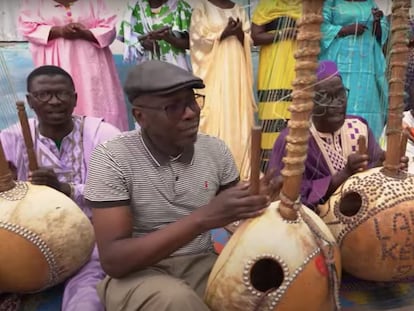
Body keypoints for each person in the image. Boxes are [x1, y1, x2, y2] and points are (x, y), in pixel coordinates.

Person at [84, 60, 281, 311]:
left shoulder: (215, 150)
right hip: (137, 274)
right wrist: (203, 218)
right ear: (140, 116)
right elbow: (114, 261)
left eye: (192, 100)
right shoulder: (113, 157)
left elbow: (235, 218)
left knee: (268, 291)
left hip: (202, 264)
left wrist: (260, 202)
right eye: (172, 106)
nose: (191, 112)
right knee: (176, 301)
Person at [0, 65, 121, 311]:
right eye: (44, 95)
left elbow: (121, 192)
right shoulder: (11, 138)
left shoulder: (103, 134)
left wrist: (66, 189)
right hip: (30, 237)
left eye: (62, 94)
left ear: (75, 98)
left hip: (93, 233)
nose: (54, 102)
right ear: (30, 101)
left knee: (87, 295)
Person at [268, 60, 385, 210]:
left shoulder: (359, 126)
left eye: (340, 94)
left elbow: (374, 174)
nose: (337, 103)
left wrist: (383, 165)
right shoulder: (293, 140)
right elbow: (284, 196)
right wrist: (345, 174)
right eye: (325, 96)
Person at [18, 0, 129, 131]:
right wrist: (59, 31)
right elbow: (26, 28)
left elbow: (109, 29)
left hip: (93, 66)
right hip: (55, 65)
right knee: (59, 98)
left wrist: (84, 33)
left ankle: (103, 143)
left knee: (96, 102)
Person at [189, 0, 256, 180]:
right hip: (215, 73)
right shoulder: (202, 8)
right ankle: (216, 170)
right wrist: (223, 34)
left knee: (238, 113)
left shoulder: (239, 9)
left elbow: (249, 39)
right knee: (215, 113)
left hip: (237, 71)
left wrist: (240, 34)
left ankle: (241, 167)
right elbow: (196, 40)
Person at [320, 0, 389, 140]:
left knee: (368, 103)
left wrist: (377, 22)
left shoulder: (370, 3)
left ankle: (367, 147)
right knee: (337, 99)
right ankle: (336, 144)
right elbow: (320, 27)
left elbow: (380, 35)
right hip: (339, 60)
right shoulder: (330, 2)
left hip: (367, 64)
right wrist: (344, 30)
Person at [251, 0, 301, 172]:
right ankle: (269, 170)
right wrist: (282, 33)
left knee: (296, 115)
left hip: (299, 67)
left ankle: (294, 167)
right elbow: (255, 37)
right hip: (273, 69)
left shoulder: (305, 6)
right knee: (272, 116)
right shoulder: (267, 5)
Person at [118, 0, 192, 70]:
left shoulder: (181, 7)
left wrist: (169, 38)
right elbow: (125, 36)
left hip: (176, 68)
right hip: (145, 68)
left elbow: (191, 44)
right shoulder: (134, 8)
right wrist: (142, 43)